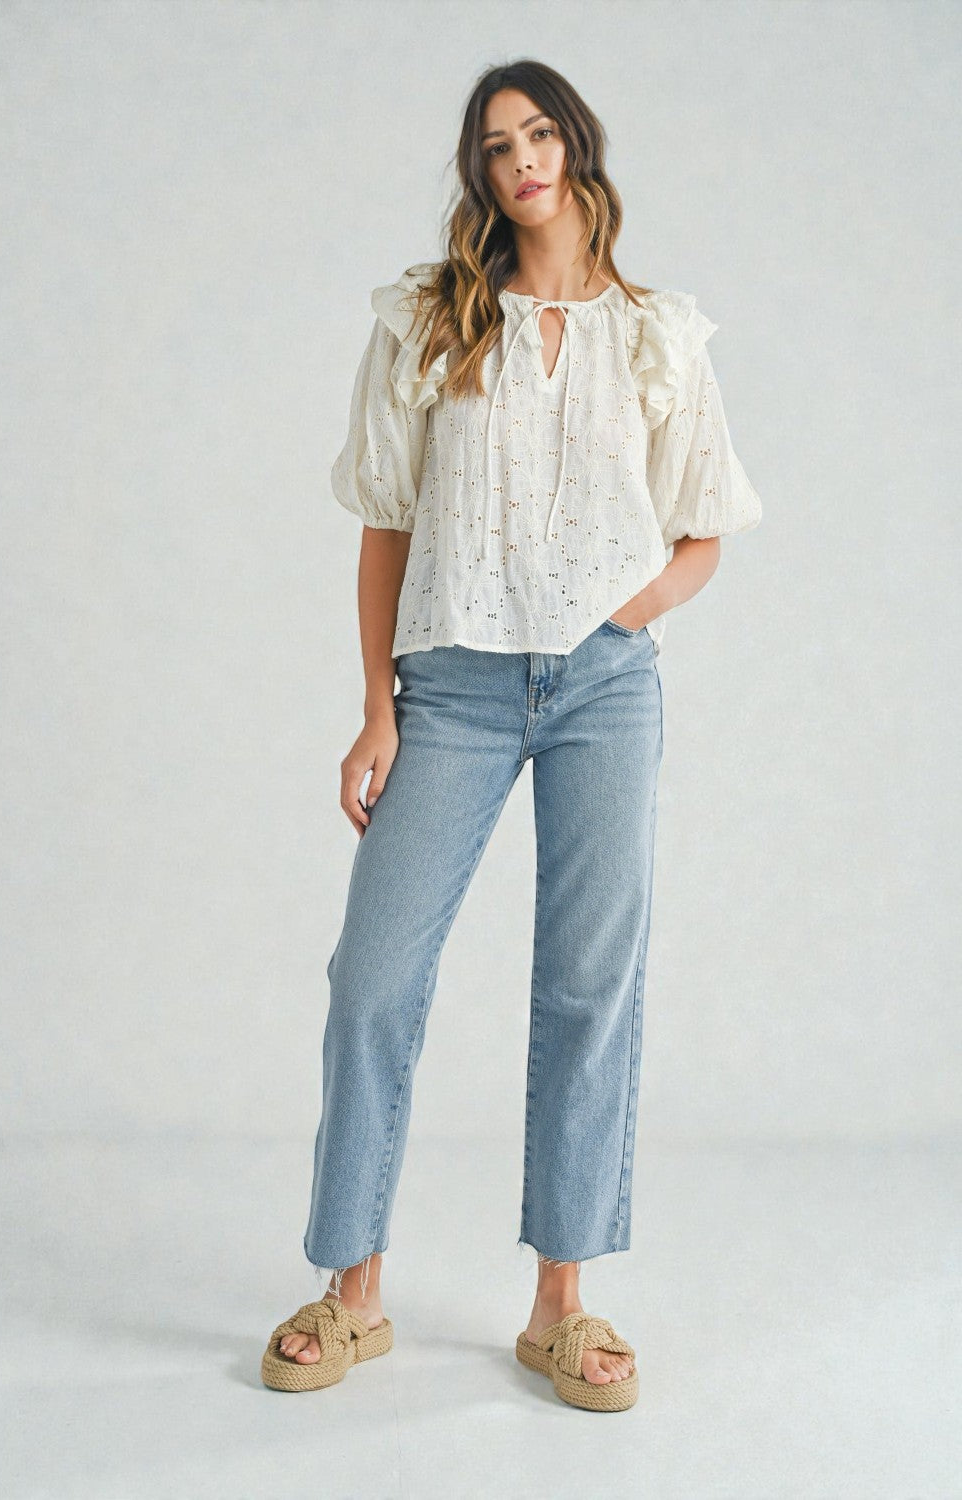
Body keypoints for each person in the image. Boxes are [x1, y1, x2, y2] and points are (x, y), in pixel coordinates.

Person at [261, 58, 762, 1413]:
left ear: (576, 148)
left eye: (540, 133)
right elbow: (385, 521)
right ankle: (351, 1290)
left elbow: (705, 522)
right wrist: (378, 707)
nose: (522, 158)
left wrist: (630, 613)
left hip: (607, 688)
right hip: (457, 689)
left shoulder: (656, 332)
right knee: (375, 977)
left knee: (590, 985)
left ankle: (564, 1305)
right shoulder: (433, 319)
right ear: (481, 175)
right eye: (496, 144)